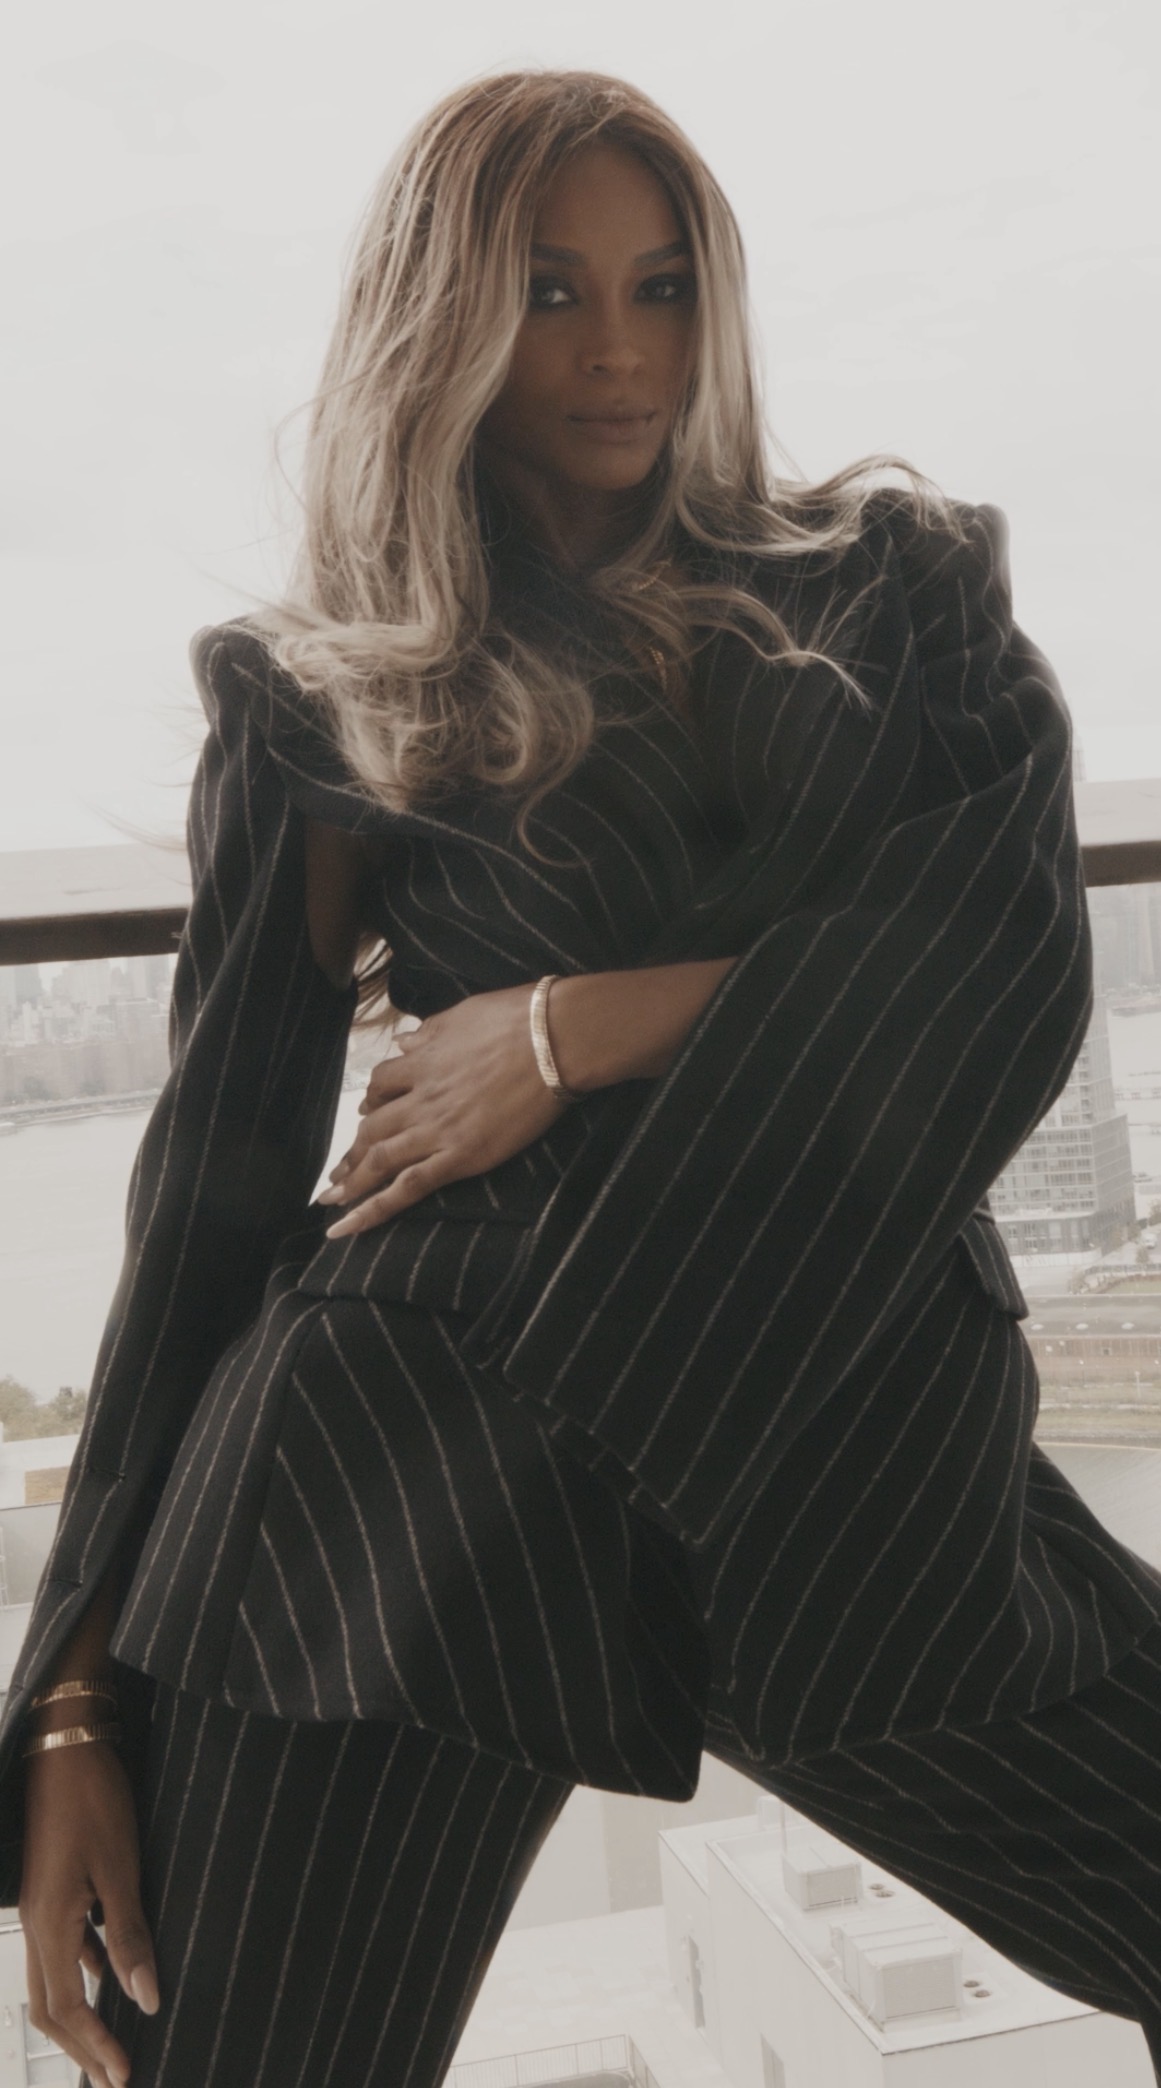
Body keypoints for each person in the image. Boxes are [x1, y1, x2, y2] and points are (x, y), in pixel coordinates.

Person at [2, 66, 1160, 2088]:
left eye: (659, 285)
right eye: (546, 291)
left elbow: (994, 959)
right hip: (403, 1492)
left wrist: (573, 1022)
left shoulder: (889, 585)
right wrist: (77, 1704)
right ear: (439, 317)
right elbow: (212, 1189)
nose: (617, 349)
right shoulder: (319, 684)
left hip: (851, 1471)